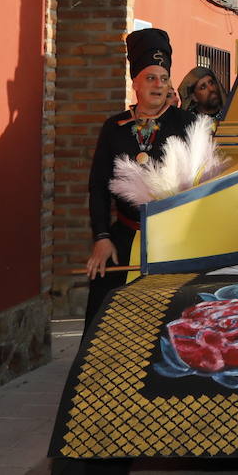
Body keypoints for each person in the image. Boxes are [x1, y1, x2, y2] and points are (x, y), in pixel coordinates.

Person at [83, 28, 196, 323]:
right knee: (104, 304)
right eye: (150, 78)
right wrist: (102, 237)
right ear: (135, 83)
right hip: (124, 234)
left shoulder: (188, 124)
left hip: (176, 239)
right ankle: (104, 369)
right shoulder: (114, 126)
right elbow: (98, 186)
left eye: (163, 78)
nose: (158, 85)